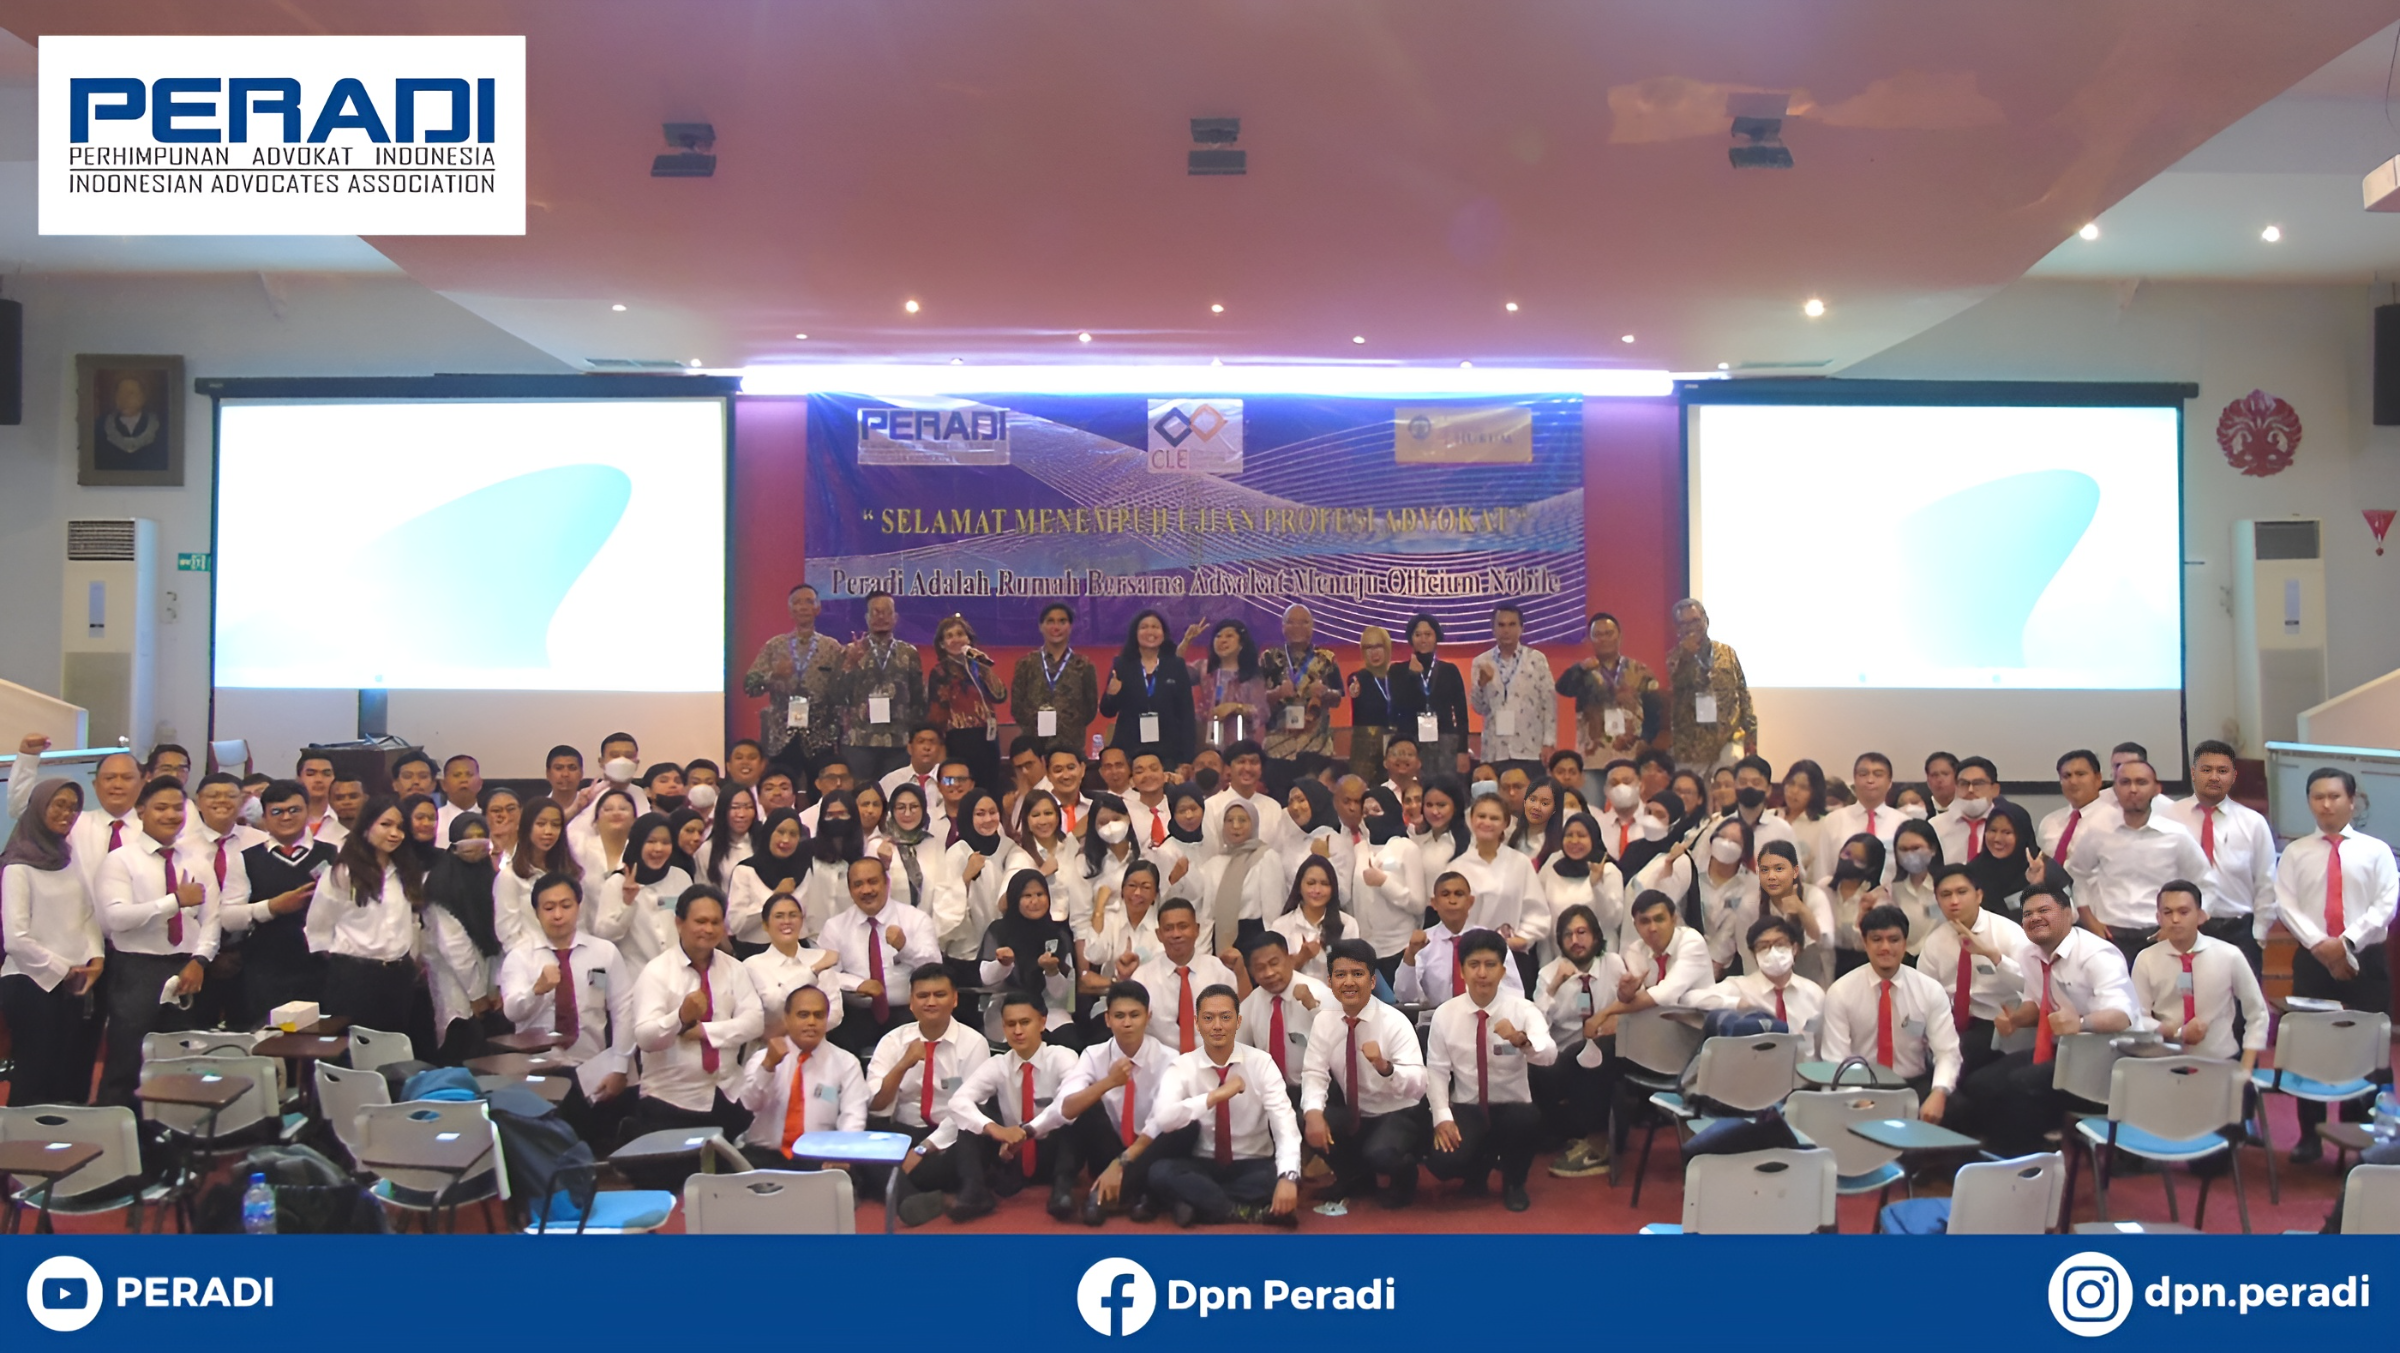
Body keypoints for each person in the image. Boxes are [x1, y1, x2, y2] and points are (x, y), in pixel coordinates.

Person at [2262, 768, 2395, 1156]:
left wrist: (2347, 941)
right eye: (2317, 797)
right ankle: (2311, 1136)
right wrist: (2320, 945)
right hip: (2313, 959)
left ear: (2352, 801)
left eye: (2334, 796)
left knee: (2365, 1045)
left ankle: (2359, 1134)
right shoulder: (2295, 852)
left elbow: (2386, 904)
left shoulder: (2376, 851)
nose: (2326, 804)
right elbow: (2286, 904)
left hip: (2366, 958)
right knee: (2311, 1045)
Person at [1961, 886, 2139, 1157]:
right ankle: (1997, 1152)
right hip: (2063, 1050)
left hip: (2107, 1057)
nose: (2035, 918)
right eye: (2028, 914)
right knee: (1981, 1083)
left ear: (2068, 914)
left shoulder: (2098, 955)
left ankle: (2024, 1162)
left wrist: (2080, 1022)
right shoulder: (2030, 954)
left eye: (2044, 910)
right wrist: (2016, 1020)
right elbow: (2036, 1004)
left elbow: (2122, 1015)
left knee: (2022, 1084)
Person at [894, 989, 1084, 1224]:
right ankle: (974, 1192)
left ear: (1042, 1022)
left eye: (1025, 1022)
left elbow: (1067, 1103)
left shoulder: (1063, 1057)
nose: (1017, 1031)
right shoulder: (998, 1064)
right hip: (1010, 1154)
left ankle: (1063, 1190)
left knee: (1077, 1108)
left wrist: (1026, 1132)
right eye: (1010, 1024)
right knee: (971, 1118)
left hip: (1052, 1152)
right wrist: (994, 1129)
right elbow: (958, 1102)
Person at [1125, 983, 1302, 1227]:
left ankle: (1196, 1203)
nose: (1217, 1026)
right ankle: (1237, 1210)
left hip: (1252, 1164)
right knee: (1160, 1172)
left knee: (1283, 1176)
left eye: (1225, 1017)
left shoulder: (1262, 1063)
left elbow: (1285, 1124)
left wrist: (1288, 1177)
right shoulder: (1183, 1066)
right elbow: (1164, 1119)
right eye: (1208, 1018)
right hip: (1202, 1164)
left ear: (1238, 1022)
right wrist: (1215, 1096)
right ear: (1197, 1024)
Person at [497, 872, 636, 1144]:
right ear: (536, 913)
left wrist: (620, 1067)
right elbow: (512, 1012)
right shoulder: (520, 957)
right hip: (539, 1071)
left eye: (566, 905)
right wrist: (537, 990)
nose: (558, 915)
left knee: (596, 1144)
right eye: (549, 908)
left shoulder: (603, 952)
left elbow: (623, 1010)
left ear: (578, 906)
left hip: (593, 1068)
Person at [1423, 929, 1555, 1211]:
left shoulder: (1523, 1009)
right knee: (1442, 1161)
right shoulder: (1445, 1014)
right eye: (1474, 965)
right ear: (1462, 970)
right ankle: (1476, 1170)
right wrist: (1442, 1117)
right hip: (1467, 1106)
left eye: (1490, 965)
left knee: (1526, 1120)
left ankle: (1514, 1183)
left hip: (1511, 1107)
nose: (1482, 973)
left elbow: (1549, 1056)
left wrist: (1522, 1041)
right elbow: (1436, 1070)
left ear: (1502, 971)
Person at [1035, 980, 1181, 1225]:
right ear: (1107, 1019)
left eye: (1135, 1015)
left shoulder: (1169, 1059)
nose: (1127, 1023)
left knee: (1180, 1123)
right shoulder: (1093, 1055)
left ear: (1148, 1017)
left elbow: (1161, 1122)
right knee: (1084, 1104)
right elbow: (1066, 1108)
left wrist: (1121, 1164)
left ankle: (1112, 1195)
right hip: (1108, 1147)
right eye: (1119, 1016)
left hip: (1147, 1150)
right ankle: (1070, 1189)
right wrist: (1108, 1082)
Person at [627, 885, 764, 1143]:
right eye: (700, 921)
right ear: (679, 923)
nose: (708, 929)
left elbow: (755, 1022)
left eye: (715, 922)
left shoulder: (734, 969)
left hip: (727, 1092)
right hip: (671, 1099)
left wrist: (704, 1031)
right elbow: (645, 1037)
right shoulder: (657, 972)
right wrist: (679, 1018)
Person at [1300, 937, 1429, 1206]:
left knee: (1381, 1154)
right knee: (1304, 1118)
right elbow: (1314, 1073)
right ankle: (1355, 1178)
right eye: (1341, 975)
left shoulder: (1394, 1021)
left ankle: (1405, 1175)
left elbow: (1418, 1086)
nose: (1349, 982)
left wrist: (1385, 1068)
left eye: (1357, 974)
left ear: (1372, 981)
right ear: (1330, 982)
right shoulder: (1324, 1020)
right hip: (1356, 1112)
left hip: (1398, 1111)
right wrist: (1313, 1114)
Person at [1, 778, 105, 1106]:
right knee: (35, 1070)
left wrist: (96, 959)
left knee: (67, 1070)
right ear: (38, 808)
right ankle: (20, 1137)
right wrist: (64, 969)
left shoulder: (68, 857)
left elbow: (86, 913)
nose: (67, 814)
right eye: (59, 805)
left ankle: (62, 1133)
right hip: (30, 981)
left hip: (74, 981)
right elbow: (16, 938)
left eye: (74, 807)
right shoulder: (17, 866)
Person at [2064, 759, 2213, 970]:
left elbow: (2206, 883)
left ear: (2156, 789)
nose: (2133, 790)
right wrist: (2088, 919)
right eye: (2125, 782)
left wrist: (2184, 925)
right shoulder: (2098, 831)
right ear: (2115, 789)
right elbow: (2078, 874)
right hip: (2110, 935)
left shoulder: (2177, 835)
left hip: (2160, 936)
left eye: (2141, 782)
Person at [1819, 904, 1961, 1122]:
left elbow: (1947, 1052)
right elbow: (1835, 1059)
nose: (1885, 947)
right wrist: (1858, 1098)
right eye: (1877, 939)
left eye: (1894, 940)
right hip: (1859, 1083)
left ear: (1905, 943)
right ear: (1865, 943)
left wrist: (1939, 1092)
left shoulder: (1930, 990)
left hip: (1912, 1083)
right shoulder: (1841, 992)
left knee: (1957, 1109)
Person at [866, 966, 992, 1197]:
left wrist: (923, 1149)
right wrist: (903, 1064)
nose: (931, 1002)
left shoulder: (974, 1043)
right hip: (903, 1133)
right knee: (864, 1143)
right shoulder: (892, 1041)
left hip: (950, 1138)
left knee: (973, 1135)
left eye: (939, 995)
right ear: (911, 1002)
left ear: (955, 999)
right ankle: (916, 1197)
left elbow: (970, 1110)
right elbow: (876, 1105)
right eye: (923, 996)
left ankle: (901, 1189)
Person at [302, 796, 420, 1039]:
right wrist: (344, 965)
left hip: (398, 975)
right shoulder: (343, 872)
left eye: (400, 827)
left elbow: (412, 921)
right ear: (366, 825)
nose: (395, 833)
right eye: (385, 825)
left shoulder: (405, 871)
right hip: (355, 976)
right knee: (352, 1047)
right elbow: (318, 927)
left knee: (393, 1046)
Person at [2161, 738, 2276, 973]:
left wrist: (2258, 935)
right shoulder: (2168, 818)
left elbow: (2266, 882)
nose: (2214, 777)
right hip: (2182, 928)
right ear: (2193, 773)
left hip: (2238, 930)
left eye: (2222, 771)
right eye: (2206, 770)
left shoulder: (2253, 822)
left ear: (2233, 776)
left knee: (2241, 996)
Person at [222, 779, 332, 1027]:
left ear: (307, 811)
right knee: (267, 1040)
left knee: (320, 1041)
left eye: (294, 810)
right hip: (265, 969)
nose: (286, 817)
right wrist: (271, 908)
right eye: (277, 812)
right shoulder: (245, 859)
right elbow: (228, 918)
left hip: (321, 968)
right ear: (265, 817)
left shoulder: (334, 854)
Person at [2135, 880, 2267, 1071]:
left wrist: (2246, 1068)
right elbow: (2137, 1017)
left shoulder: (2229, 955)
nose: (2175, 919)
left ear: (2201, 916)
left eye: (2183, 912)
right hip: (2165, 1062)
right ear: (2158, 917)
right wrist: (2172, 1031)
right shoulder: (2146, 959)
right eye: (2167, 912)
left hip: (2220, 1063)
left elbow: (2257, 1012)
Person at [1912, 864, 2026, 1080]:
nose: (1954, 901)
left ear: (1979, 895)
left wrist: (1993, 956)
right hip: (1951, 1023)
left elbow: (2031, 984)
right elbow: (1923, 995)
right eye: (1946, 895)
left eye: (1961, 892)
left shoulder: (2007, 933)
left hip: (1997, 1023)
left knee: (1955, 1061)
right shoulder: (1935, 942)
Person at [736, 985, 869, 1169]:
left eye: (819, 1015)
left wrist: (843, 1153)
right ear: (787, 1018)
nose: (811, 1022)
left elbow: (853, 1115)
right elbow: (750, 1104)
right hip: (764, 1155)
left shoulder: (846, 1063)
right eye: (803, 1015)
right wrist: (768, 1067)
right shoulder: (762, 1059)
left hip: (820, 1157)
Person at [821, 856, 943, 1055]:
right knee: (834, 1046)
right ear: (850, 889)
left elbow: (936, 970)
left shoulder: (915, 919)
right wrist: (857, 984)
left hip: (907, 1013)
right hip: (856, 1015)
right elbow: (824, 974)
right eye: (858, 884)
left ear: (887, 883)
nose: (866, 890)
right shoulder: (835, 927)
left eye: (873, 882)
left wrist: (905, 947)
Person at [11, 735, 145, 897]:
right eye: (109, 778)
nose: (117, 785)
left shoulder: (153, 831)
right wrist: (28, 758)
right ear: (95, 784)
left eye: (127, 778)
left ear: (142, 783)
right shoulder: (73, 822)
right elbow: (25, 811)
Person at [422, 813, 504, 1062]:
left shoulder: (492, 878)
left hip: (489, 986)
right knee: (461, 1051)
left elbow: (498, 937)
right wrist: (476, 994)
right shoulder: (440, 882)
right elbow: (454, 947)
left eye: (481, 837)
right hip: (457, 987)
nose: (475, 844)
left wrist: (495, 987)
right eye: (468, 838)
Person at [1634, 812, 1758, 976]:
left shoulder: (1748, 886)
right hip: (1677, 950)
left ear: (1744, 851)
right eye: (1722, 836)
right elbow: (1665, 903)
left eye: (1735, 841)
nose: (1726, 843)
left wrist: (1710, 967)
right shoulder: (1690, 870)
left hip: (1720, 966)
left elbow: (1730, 935)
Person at [742, 582, 845, 773]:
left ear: (818, 608)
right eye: (797, 602)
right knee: (781, 784)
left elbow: (842, 693)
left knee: (819, 787)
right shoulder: (775, 646)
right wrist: (773, 675)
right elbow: (749, 686)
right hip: (781, 735)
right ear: (790, 610)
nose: (803, 607)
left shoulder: (832, 648)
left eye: (809, 602)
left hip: (820, 736)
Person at [1688, 914, 1826, 1050]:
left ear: (1794, 948)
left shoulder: (1814, 993)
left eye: (1779, 944)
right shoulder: (1740, 987)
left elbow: (1823, 1043)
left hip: (1803, 1062)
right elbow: (1689, 999)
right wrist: (1736, 1003)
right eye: (1763, 946)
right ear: (1754, 954)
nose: (1772, 951)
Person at [1555, 611, 1662, 787]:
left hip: (1630, 755)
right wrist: (1580, 669)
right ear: (1590, 639)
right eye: (1597, 635)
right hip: (1593, 757)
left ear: (1619, 636)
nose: (1603, 639)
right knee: (1590, 803)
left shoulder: (1639, 670)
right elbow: (1562, 688)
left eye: (1608, 633)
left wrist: (1646, 739)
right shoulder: (1584, 671)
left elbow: (1654, 709)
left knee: (1628, 801)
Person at [835, 591, 926, 785]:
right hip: (859, 740)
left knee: (896, 794)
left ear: (895, 618)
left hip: (898, 740)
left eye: (886, 612)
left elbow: (918, 699)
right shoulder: (850, 651)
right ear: (867, 617)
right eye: (875, 612)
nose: (881, 616)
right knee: (861, 795)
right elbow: (837, 695)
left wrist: (914, 736)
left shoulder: (908, 653)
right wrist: (849, 665)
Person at [1452, 793, 1547, 978]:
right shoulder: (1456, 867)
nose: (1487, 822)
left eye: (1494, 818)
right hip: (1470, 957)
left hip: (1512, 957)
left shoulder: (1520, 863)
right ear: (1471, 820)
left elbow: (1537, 910)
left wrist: (1523, 938)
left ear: (1506, 823)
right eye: (1481, 816)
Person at [1396, 871, 1527, 1002]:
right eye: (1445, 894)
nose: (1452, 901)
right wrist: (1411, 955)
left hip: (1486, 1014)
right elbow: (1405, 997)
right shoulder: (1421, 944)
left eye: (1459, 894)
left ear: (1470, 901)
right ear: (1434, 903)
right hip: (1437, 1014)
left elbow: (1514, 993)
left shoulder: (1491, 941)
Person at [1131, 898, 1239, 1054]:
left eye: (1183, 927)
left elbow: (1237, 1021)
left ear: (1197, 930)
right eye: (1168, 928)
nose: (1176, 934)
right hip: (1161, 1062)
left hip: (1213, 1059)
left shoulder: (1218, 971)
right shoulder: (1142, 977)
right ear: (1159, 934)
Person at [981, 869, 1081, 1035]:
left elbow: (1061, 994)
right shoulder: (998, 930)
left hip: (1049, 1010)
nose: (1035, 901)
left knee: (1067, 1037)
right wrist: (1003, 964)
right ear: (1015, 899)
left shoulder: (1058, 934)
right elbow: (986, 979)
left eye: (1040, 894)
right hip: (1005, 1008)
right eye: (1027, 896)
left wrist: (1052, 971)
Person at [1258, 604, 1342, 794]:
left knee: (1315, 801)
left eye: (1304, 622)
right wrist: (1277, 693)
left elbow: (1338, 698)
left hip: (1316, 747)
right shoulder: (1269, 658)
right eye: (1291, 622)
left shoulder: (1326, 659)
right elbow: (1255, 700)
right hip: (1278, 748)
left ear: (1312, 626)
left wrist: (1325, 692)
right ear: (1282, 626)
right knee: (1279, 801)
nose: (1297, 627)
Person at [1467, 602, 1557, 779]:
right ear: (1493, 629)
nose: (1506, 630)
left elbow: (1549, 703)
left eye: (1512, 624)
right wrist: (1481, 684)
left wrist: (1549, 742)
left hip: (1530, 749)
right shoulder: (1481, 661)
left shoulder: (1536, 659)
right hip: (1495, 751)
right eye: (1501, 625)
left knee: (1531, 795)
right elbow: (1478, 708)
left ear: (1521, 628)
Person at [594, 812, 692, 973]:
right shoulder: (616, 883)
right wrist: (627, 903)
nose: (658, 848)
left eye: (666, 842)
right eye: (651, 841)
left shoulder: (681, 877)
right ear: (638, 842)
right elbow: (603, 936)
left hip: (678, 974)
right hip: (636, 976)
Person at [1102, 609, 1199, 772]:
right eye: (1144, 627)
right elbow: (1107, 711)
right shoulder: (1122, 665)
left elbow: (1186, 713)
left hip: (1168, 750)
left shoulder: (1176, 665)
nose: (1150, 632)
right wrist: (1111, 694)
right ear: (1135, 633)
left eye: (1155, 627)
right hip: (1129, 748)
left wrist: (1186, 758)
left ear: (1163, 633)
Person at [1236, 931, 1330, 1097]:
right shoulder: (1252, 1002)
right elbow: (1235, 1046)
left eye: (1274, 963)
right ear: (1252, 972)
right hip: (1269, 1091)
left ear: (1289, 959)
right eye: (1260, 968)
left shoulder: (1318, 993)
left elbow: (1341, 1039)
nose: (1269, 973)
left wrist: (1313, 1008)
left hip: (1316, 1090)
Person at [1664, 597, 1754, 770]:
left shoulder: (1727, 653)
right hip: (1691, 747)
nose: (1691, 627)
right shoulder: (1674, 658)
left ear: (1706, 620)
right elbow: (1678, 684)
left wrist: (1751, 734)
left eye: (1695, 620)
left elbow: (1743, 694)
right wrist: (1687, 657)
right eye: (1684, 623)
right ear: (1677, 628)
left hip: (1727, 741)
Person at [741, 890, 845, 1037]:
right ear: (765, 925)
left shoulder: (820, 956)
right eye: (779, 916)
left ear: (802, 920)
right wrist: (813, 971)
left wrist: (797, 1030)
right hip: (774, 1047)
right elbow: (773, 1004)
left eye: (793, 915)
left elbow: (835, 1012)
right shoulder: (752, 965)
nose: (787, 921)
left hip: (816, 1043)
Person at [1010, 602, 1102, 765]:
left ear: (1070, 627)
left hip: (1071, 746)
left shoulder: (1083, 665)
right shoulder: (1026, 664)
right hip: (1035, 748)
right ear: (1041, 626)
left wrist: (1067, 723)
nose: (1056, 627)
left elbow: (1090, 709)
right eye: (1050, 621)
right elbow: (1017, 707)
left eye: (1062, 621)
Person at [925, 617, 1008, 794]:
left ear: (969, 639)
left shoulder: (978, 666)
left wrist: (985, 667)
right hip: (959, 739)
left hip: (987, 737)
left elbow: (1000, 695)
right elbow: (936, 716)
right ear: (942, 644)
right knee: (964, 788)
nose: (956, 639)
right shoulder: (940, 672)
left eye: (960, 634)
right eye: (949, 636)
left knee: (990, 788)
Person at [1389, 613, 1469, 777]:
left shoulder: (1450, 670)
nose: (1423, 639)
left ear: (1436, 637)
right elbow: (1397, 706)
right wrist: (1412, 676)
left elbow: (1461, 713)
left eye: (1428, 634)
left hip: (1445, 741)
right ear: (1411, 638)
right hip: (1411, 741)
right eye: (1418, 635)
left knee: (1443, 786)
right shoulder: (1397, 671)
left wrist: (1462, 750)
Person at [1818, 752, 1901, 883]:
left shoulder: (1902, 823)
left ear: (1890, 782)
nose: (1870, 780)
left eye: (1878, 774)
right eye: (1863, 774)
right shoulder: (1833, 820)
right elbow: (1822, 870)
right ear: (1855, 780)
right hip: (1839, 894)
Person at [2039, 748, 2120, 862]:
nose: (2073, 781)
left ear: (2098, 779)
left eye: (2080, 774)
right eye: (2066, 776)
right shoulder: (2049, 822)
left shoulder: (2115, 821)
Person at [1344, 625, 1399, 782]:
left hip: (1395, 742)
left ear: (1387, 647)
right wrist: (1353, 688)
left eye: (1378, 646)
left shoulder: (1398, 677)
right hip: (1365, 749)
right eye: (1368, 647)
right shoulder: (1358, 678)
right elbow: (1353, 685)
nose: (1374, 652)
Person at [1886, 818, 1946, 955]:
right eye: (1903, 849)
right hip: (1903, 959)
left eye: (1915, 848)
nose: (1909, 855)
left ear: (1933, 849)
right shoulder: (1892, 890)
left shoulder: (1947, 886)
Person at [1768, 758, 1832, 884]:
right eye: (1791, 783)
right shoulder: (1769, 817)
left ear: (1815, 792)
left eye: (1803, 787)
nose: (1794, 791)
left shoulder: (1823, 824)